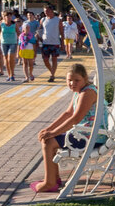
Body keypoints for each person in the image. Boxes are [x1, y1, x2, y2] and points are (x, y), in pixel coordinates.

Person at [30, 63, 105, 193]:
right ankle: (54, 178)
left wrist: (52, 133)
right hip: (86, 133)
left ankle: (49, 183)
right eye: (69, 80)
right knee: (48, 138)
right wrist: (49, 129)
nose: (72, 83)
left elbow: (75, 118)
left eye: (77, 80)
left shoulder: (88, 93)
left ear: (85, 78)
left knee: (49, 142)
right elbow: (68, 113)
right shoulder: (80, 91)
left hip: (92, 137)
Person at [39, 4, 63, 82]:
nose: (46, 12)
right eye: (45, 11)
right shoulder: (43, 20)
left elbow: (62, 32)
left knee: (54, 59)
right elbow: (40, 30)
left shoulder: (58, 20)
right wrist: (39, 37)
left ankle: (52, 75)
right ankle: (52, 71)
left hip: (55, 42)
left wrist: (62, 43)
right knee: (45, 59)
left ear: (51, 10)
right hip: (45, 42)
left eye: (47, 11)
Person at [0, 12, 19, 81]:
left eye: (10, 16)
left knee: (11, 58)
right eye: (7, 16)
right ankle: (9, 74)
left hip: (13, 43)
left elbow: (18, 33)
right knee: (6, 59)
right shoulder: (1, 24)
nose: (9, 18)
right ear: (4, 17)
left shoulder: (14, 24)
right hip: (4, 43)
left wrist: (21, 41)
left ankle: (12, 74)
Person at [18, 12, 38, 81]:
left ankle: (31, 73)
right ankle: (26, 77)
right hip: (23, 50)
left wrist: (35, 52)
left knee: (31, 64)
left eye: (28, 28)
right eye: (26, 28)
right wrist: (18, 52)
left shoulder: (31, 36)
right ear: (23, 29)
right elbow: (19, 44)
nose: (27, 29)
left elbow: (34, 44)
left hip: (30, 51)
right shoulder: (21, 36)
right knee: (25, 63)